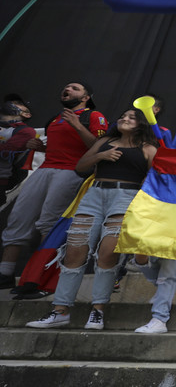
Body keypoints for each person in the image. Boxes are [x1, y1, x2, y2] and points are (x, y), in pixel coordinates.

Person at [25, 108, 158, 330]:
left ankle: (98, 311)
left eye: (132, 117)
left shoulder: (148, 148)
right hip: (94, 194)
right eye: (123, 115)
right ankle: (60, 310)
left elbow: (154, 180)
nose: (124, 118)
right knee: (74, 251)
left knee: (108, 253)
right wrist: (100, 156)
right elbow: (81, 167)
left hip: (126, 197)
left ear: (142, 124)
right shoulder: (105, 141)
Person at [0, 82, 108, 289]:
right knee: (19, 216)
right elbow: (56, 147)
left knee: (49, 221)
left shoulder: (94, 116)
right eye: (66, 88)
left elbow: (100, 147)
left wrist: (77, 125)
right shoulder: (55, 118)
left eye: (75, 88)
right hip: (46, 169)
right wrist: (39, 147)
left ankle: (38, 275)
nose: (67, 90)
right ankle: (5, 272)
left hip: (70, 172)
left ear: (86, 97)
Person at [0, 99, 36, 207]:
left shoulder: (25, 131)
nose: (12, 104)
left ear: (26, 114)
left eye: (18, 104)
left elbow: (6, 153)